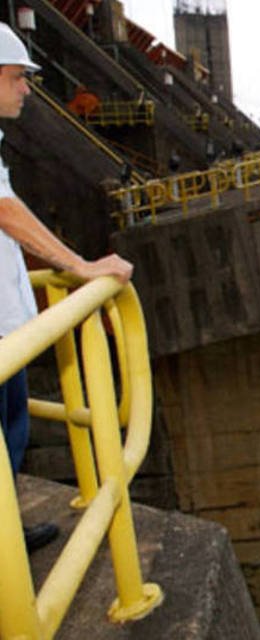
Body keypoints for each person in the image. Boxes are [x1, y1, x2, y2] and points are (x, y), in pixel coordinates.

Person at [0, 23, 133, 552]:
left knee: (13, 436)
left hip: (8, 335)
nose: (26, 90)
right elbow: (4, 211)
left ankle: (6, 536)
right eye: (16, 79)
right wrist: (79, 265)